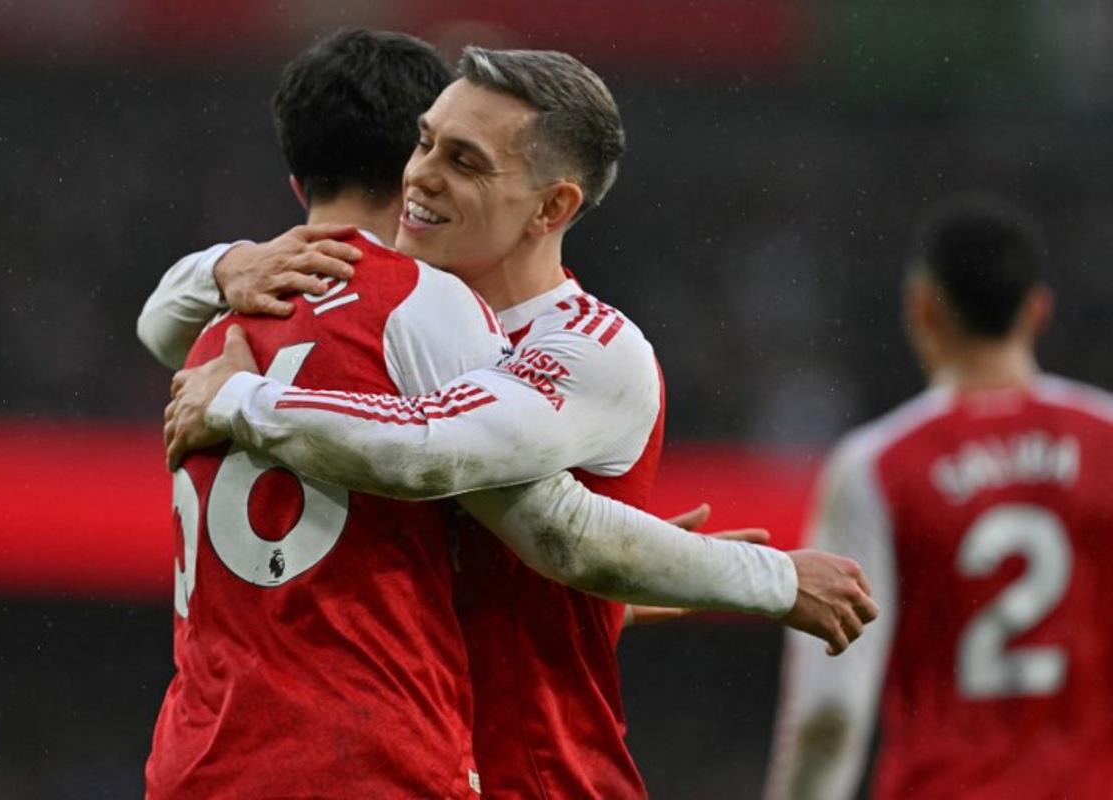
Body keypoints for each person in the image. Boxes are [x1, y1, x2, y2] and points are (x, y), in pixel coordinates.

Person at [151, 44, 877, 798]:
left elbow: (512, 502)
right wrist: (224, 264)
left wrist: (238, 400)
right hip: (405, 767)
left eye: (464, 161)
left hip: (542, 779)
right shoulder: (379, 318)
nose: (420, 175)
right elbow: (432, 555)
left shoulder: (590, 348)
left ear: (552, 206)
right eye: (424, 141)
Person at [764, 197, 1113, 799]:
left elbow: (831, 714)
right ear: (1037, 311)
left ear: (921, 308)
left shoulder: (878, 466)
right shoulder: (1105, 439)